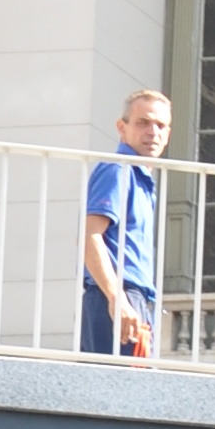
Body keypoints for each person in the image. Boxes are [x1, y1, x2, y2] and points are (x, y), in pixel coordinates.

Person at [82, 87, 171, 358]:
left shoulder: (139, 178)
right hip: (116, 297)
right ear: (122, 128)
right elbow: (90, 236)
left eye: (160, 125)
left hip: (133, 299)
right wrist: (116, 297)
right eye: (143, 122)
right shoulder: (117, 169)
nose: (152, 131)